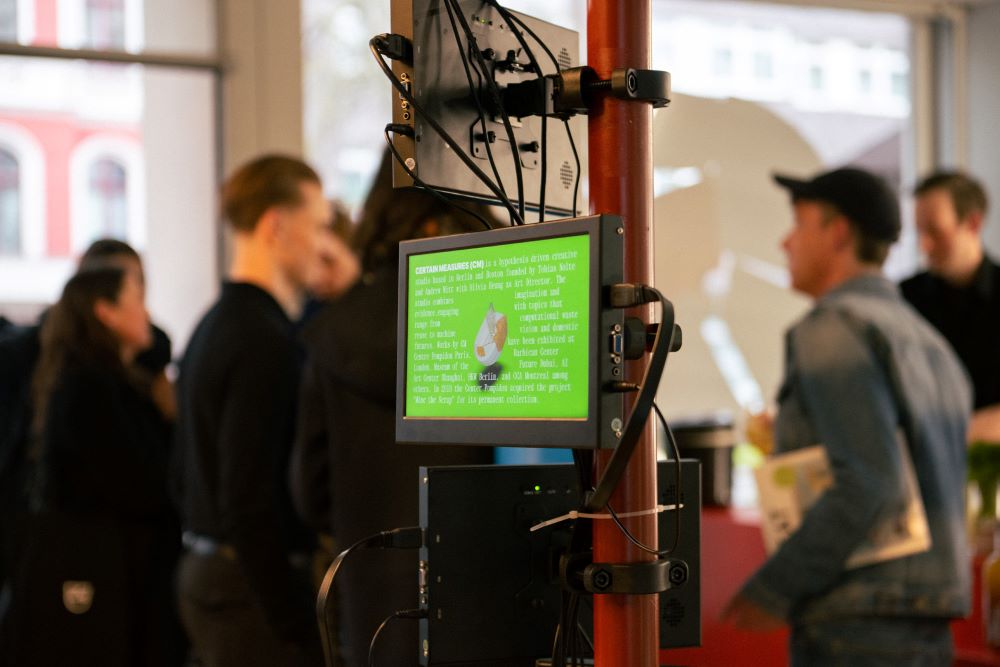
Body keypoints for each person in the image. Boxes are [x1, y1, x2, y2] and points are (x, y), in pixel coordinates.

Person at [725, 167, 972, 665]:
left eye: (799, 224)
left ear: (838, 232)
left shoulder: (834, 328)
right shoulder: (931, 343)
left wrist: (771, 591)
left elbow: (868, 482)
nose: (785, 241)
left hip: (856, 626)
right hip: (929, 627)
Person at [290, 149, 495, 666]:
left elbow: (310, 489)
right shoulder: (495, 328)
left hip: (374, 612)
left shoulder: (331, 333)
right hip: (486, 606)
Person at [173, 154, 327, 667]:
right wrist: (294, 619)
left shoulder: (213, 324)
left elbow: (184, 472)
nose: (323, 245)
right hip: (249, 592)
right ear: (276, 226)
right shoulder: (263, 340)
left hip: (213, 577)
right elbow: (247, 498)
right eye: (318, 226)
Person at [0, 239, 174, 656]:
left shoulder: (116, 379)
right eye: (136, 299)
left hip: (116, 567)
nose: (147, 312)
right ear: (105, 311)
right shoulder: (88, 387)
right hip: (96, 571)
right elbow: (138, 483)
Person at [901, 171, 1000, 444]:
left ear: (973, 223)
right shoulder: (905, 297)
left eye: (935, 231)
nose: (924, 245)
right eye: (920, 232)